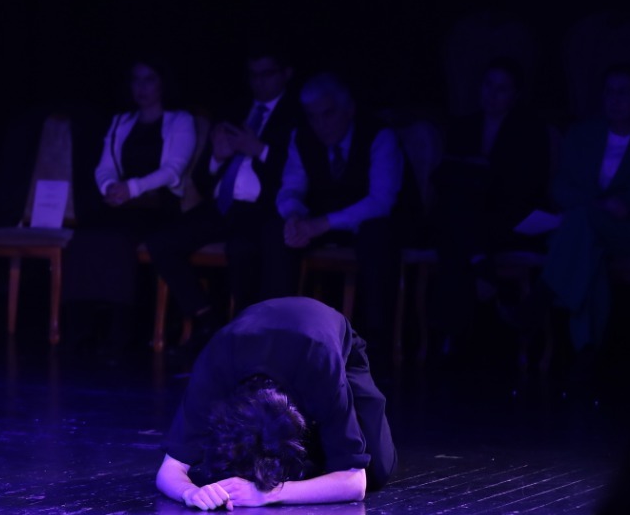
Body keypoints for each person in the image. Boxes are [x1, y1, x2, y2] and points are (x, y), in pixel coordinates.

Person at [155, 296, 396, 510]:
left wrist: (268, 494)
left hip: (322, 337)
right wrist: (190, 493)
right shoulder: (215, 370)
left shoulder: (320, 368)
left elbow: (355, 482)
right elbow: (169, 470)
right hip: (254, 338)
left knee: (378, 471)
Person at [144, 46, 300, 359]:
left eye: (267, 74)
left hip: (264, 209)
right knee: (161, 242)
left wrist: (260, 150)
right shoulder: (235, 109)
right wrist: (217, 157)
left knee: (242, 249)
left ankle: (249, 336)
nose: (259, 82)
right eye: (253, 75)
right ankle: (207, 322)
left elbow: (301, 172)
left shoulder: (297, 114)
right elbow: (202, 179)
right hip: (222, 206)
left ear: (286, 74)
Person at [263, 73, 405, 362]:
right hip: (324, 220)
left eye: (328, 114)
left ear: (348, 109)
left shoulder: (378, 136)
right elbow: (291, 187)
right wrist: (294, 216)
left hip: (369, 221)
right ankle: (280, 333)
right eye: (313, 117)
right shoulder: (302, 137)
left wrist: (321, 224)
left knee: (377, 235)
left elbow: (381, 200)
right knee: (277, 231)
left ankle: (376, 342)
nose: (320, 125)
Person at [64, 58, 197, 358]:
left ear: (162, 83)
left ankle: (120, 334)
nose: (141, 87)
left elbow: (173, 170)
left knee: (119, 239)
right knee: (84, 237)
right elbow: (105, 166)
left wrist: (132, 188)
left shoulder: (180, 120)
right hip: (122, 201)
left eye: (149, 79)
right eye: (136, 80)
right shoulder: (121, 121)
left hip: (157, 203)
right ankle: (81, 330)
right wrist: (110, 186)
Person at [540, 63, 630, 365]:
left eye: (623, 92)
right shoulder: (583, 134)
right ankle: (586, 350)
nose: (614, 99)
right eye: (609, 92)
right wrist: (597, 206)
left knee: (576, 230)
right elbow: (561, 185)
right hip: (591, 226)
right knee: (587, 248)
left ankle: (541, 297)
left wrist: (626, 203)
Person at [429, 57, 552, 359]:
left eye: (502, 88)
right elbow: (443, 175)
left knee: (457, 230)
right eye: (488, 85)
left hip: (507, 217)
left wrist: (485, 175)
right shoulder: (463, 125)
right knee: (457, 216)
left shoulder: (530, 129)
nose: (492, 94)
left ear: (515, 94)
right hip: (467, 217)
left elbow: (529, 185)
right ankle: (481, 266)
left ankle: (452, 336)